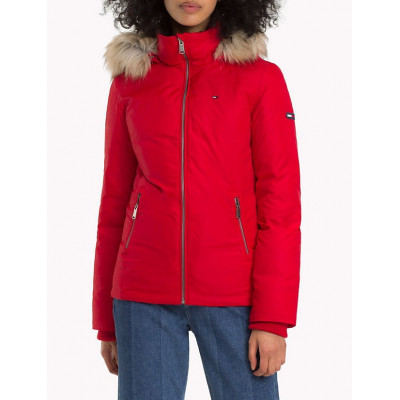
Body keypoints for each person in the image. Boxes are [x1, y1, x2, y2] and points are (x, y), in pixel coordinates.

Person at [92, 0, 301, 398]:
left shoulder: (260, 78)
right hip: (141, 294)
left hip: (235, 295)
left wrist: (272, 318)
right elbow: (114, 201)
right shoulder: (131, 81)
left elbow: (280, 205)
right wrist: (106, 320)